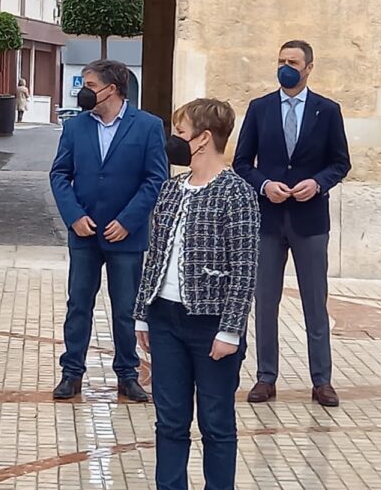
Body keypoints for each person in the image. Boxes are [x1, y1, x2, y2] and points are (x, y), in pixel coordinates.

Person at [135, 98, 259, 490]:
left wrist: (231, 330)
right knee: (169, 420)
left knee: (216, 421)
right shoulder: (172, 188)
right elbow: (154, 255)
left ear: (204, 139)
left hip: (211, 325)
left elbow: (245, 268)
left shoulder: (236, 193)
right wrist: (142, 313)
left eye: (181, 132)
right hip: (165, 317)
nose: (175, 140)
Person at [234, 40, 350, 408]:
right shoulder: (260, 108)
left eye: (293, 62)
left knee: (315, 302)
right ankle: (265, 377)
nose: (286, 67)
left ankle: (322, 380)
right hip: (267, 220)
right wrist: (265, 185)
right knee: (265, 302)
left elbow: (340, 162)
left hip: (310, 220)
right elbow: (241, 162)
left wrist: (317, 183)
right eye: (281, 60)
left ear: (309, 68)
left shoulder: (327, 111)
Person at [49, 59, 168, 402]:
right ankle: (71, 373)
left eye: (89, 85)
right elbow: (59, 174)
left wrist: (128, 220)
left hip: (126, 236)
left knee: (125, 308)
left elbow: (155, 179)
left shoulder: (147, 127)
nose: (83, 92)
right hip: (84, 234)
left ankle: (127, 375)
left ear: (111, 89)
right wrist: (73, 215)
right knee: (78, 305)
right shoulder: (75, 127)